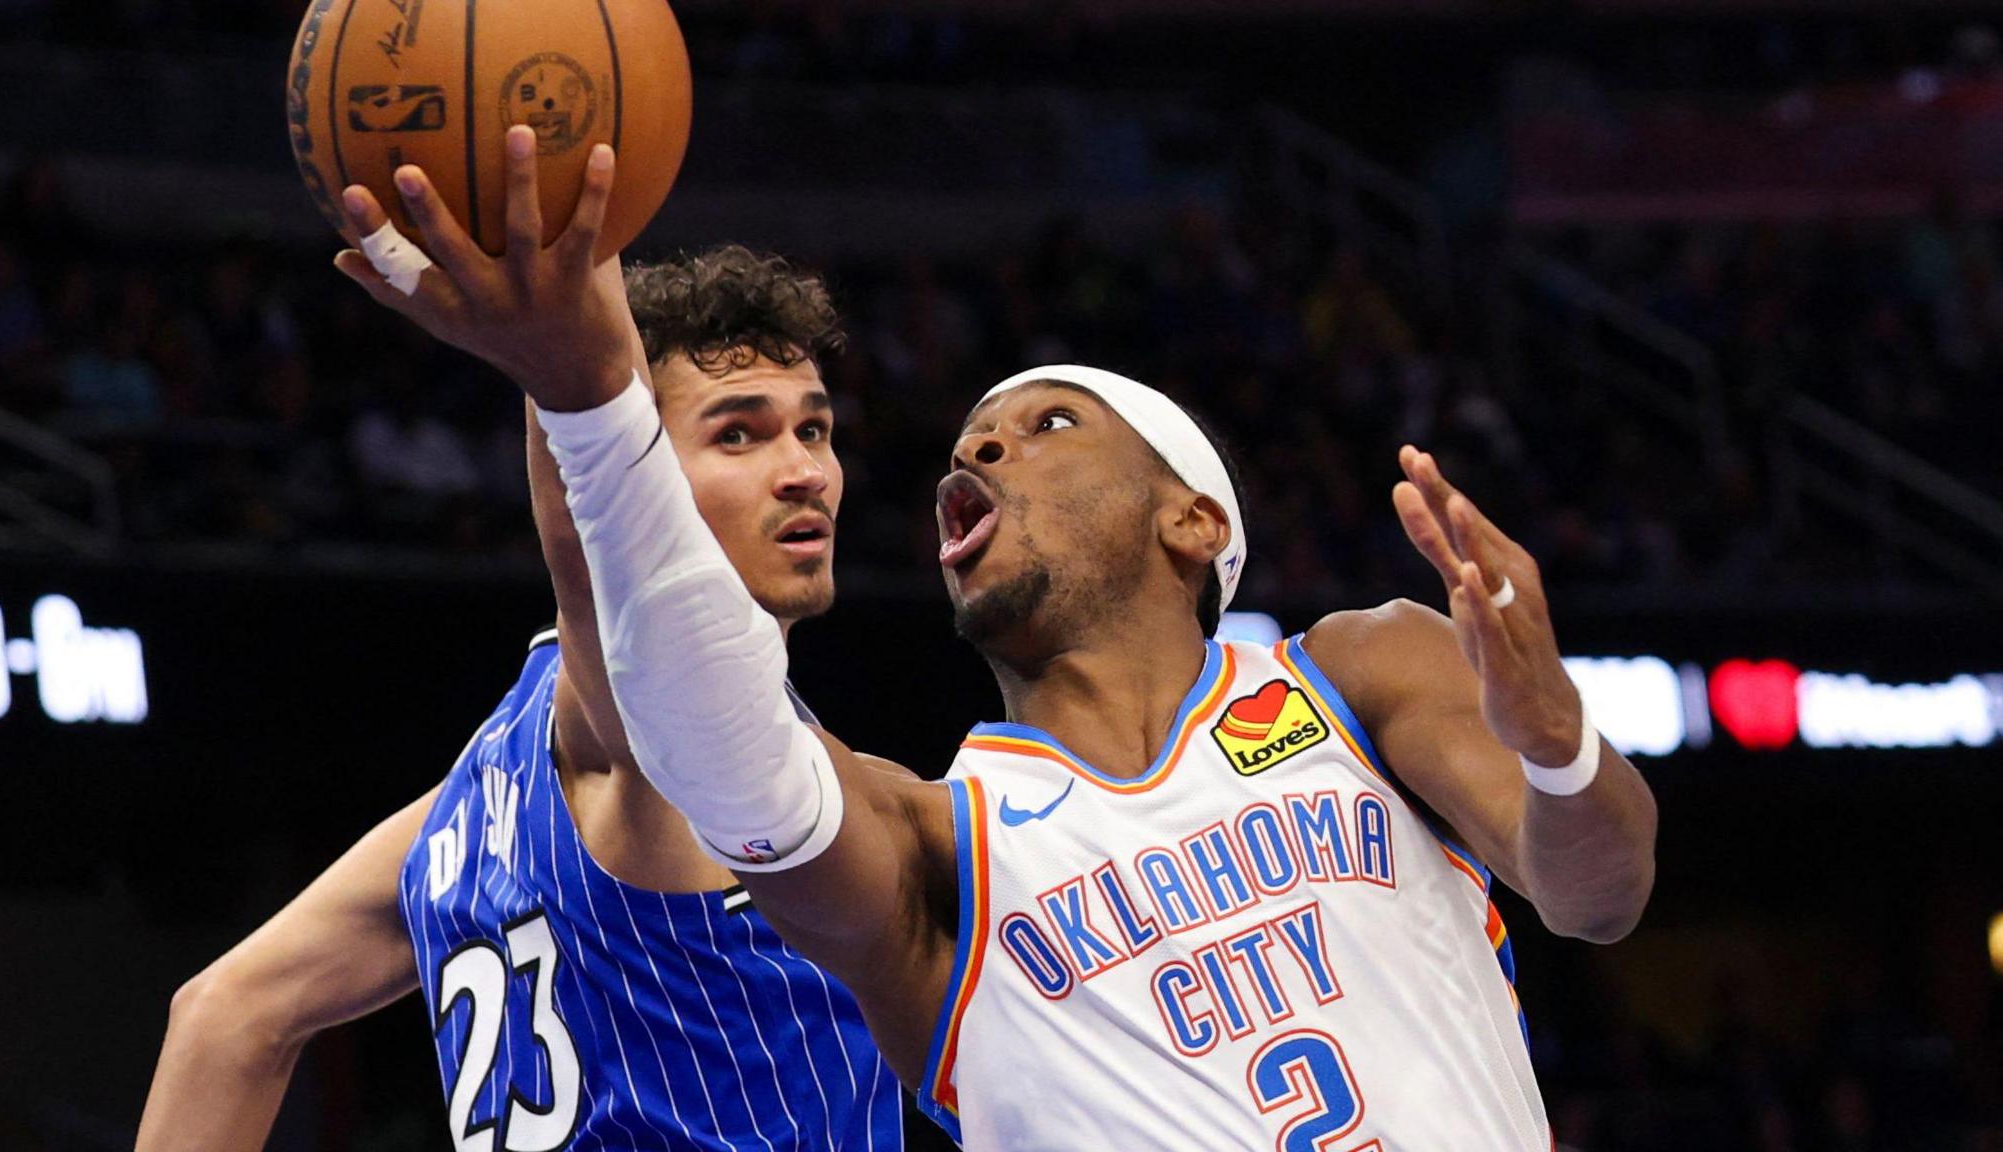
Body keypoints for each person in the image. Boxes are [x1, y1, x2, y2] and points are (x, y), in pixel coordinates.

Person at [340, 134, 1657, 1150]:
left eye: (1045, 427)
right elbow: (702, 723)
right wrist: (585, 400)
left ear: (1191, 520)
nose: (977, 448)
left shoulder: (1359, 674)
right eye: (972, 440)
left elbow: (1598, 896)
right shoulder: (936, 850)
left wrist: (1556, 747)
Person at [135, 204, 903, 1147]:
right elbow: (595, 526)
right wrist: (567, 224)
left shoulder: (476, 798)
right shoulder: (667, 736)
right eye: (738, 435)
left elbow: (226, 1015)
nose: (804, 471)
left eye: (814, 430)